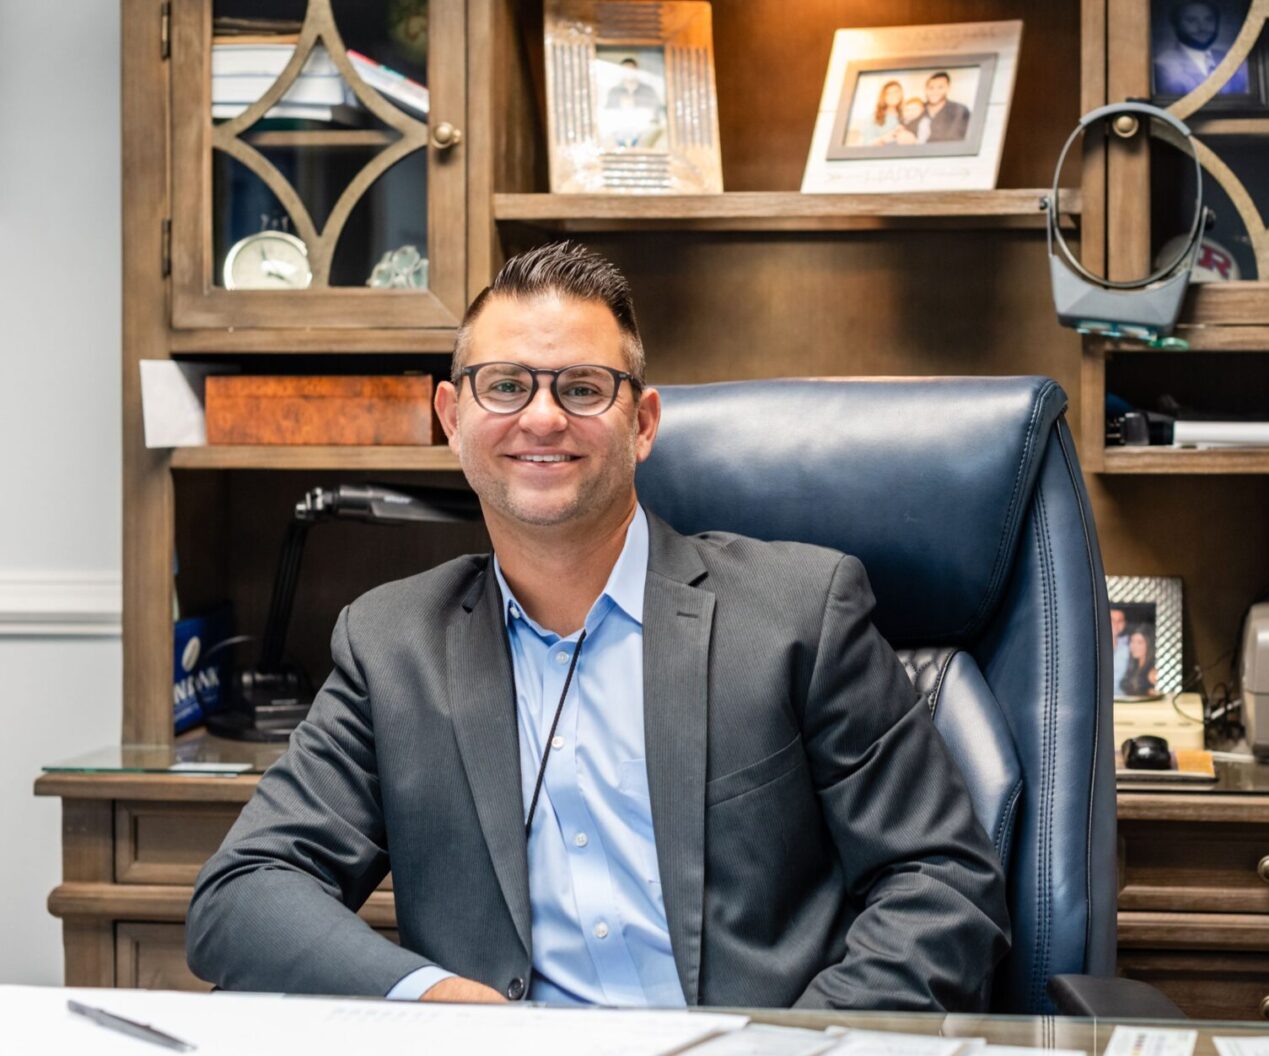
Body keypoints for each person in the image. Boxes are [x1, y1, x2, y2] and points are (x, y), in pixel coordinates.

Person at [186, 242, 1011, 1012]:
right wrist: (432, 1000)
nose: (541, 418)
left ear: (642, 423)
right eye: (504, 385)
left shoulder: (799, 612)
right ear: (451, 417)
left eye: (581, 388)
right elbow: (244, 894)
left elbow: (940, 886)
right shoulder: (392, 645)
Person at [1152, 0, 1249, 97]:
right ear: (1176, 24)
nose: (1202, 27)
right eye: (1191, 20)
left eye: (1209, 19)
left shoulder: (1231, 60)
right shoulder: (1162, 66)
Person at [911, 71, 970, 144]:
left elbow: (954, 141)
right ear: (925, 90)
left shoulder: (960, 111)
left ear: (948, 88)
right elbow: (905, 127)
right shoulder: (917, 108)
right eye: (931, 88)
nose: (934, 91)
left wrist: (916, 142)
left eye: (940, 87)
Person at [852, 79, 905, 146]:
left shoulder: (906, 116)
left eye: (896, 92)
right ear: (883, 97)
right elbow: (866, 143)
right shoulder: (873, 118)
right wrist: (883, 139)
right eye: (888, 93)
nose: (893, 95)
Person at [1120, 628, 1159, 698]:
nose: (1134, 646)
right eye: (1132, 641)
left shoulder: (1152, 672)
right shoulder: (1134, 665)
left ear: (1149, 644)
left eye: (1139, 642)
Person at [1110, 607, 1131, 698]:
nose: (1116, 624)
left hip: (1124, 698)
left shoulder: (1130, 646)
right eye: (1112, 620)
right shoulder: (1092, 646)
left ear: (1124, 624)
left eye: (1120, 620)